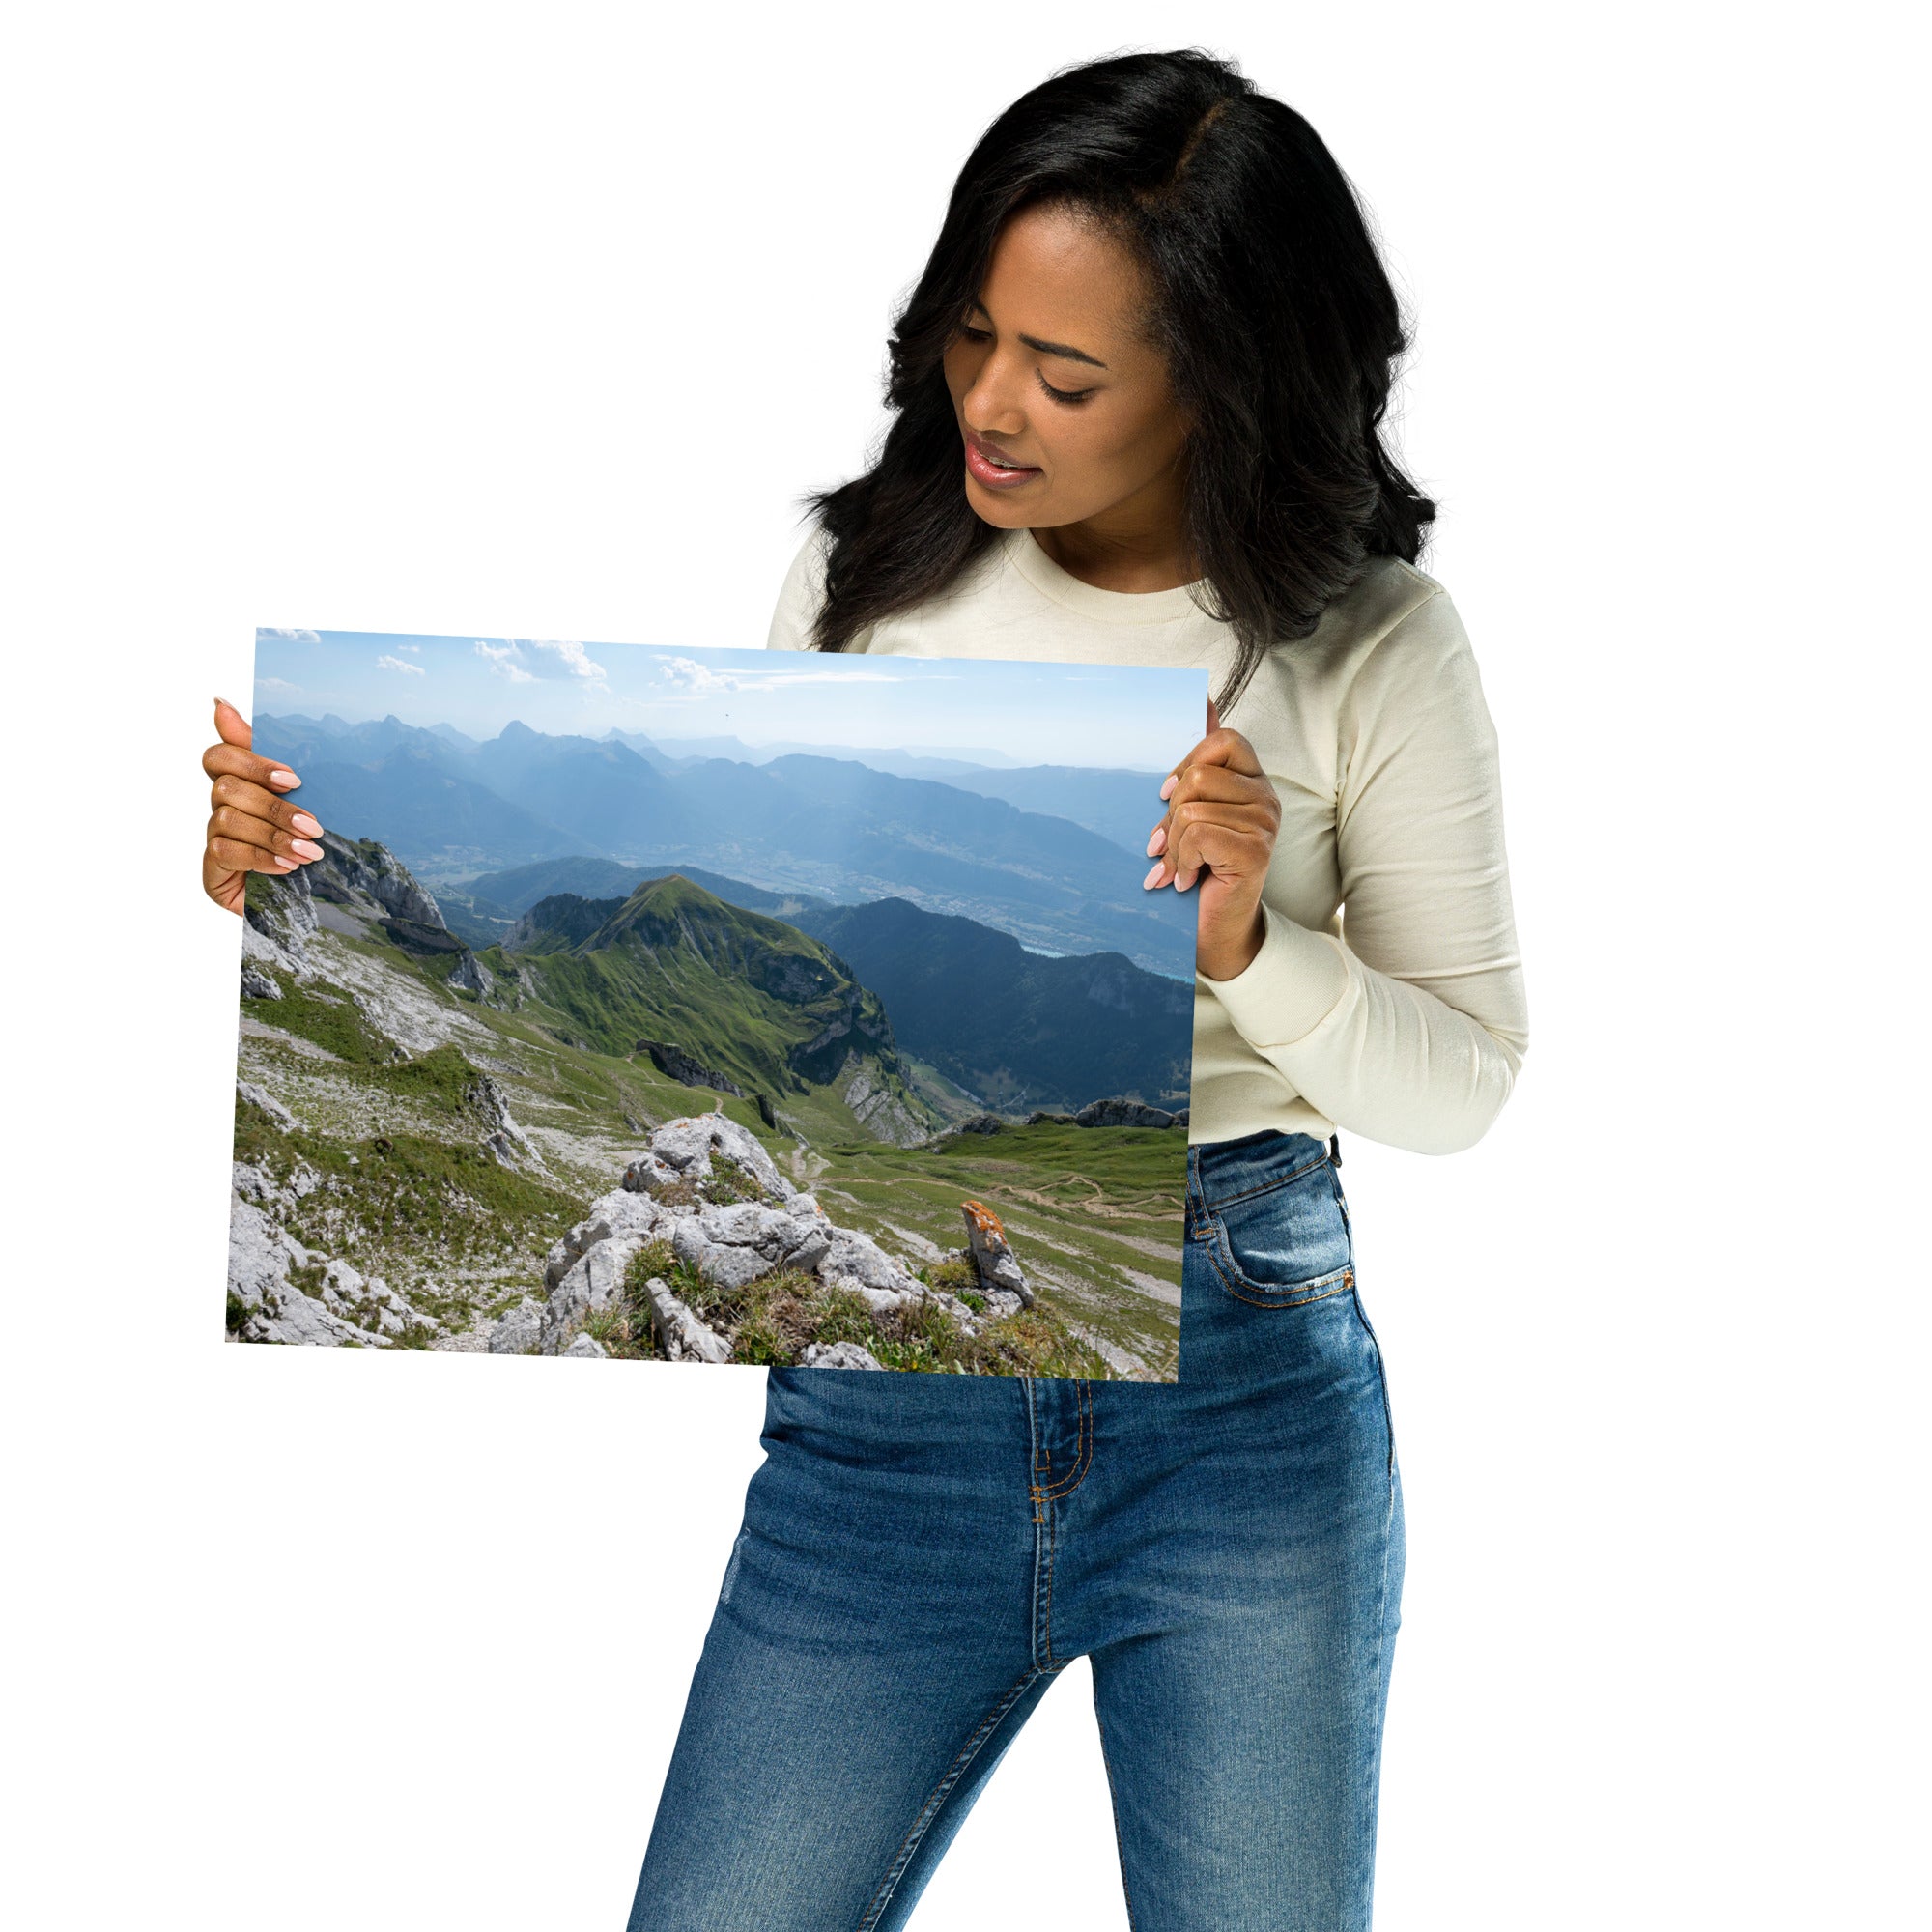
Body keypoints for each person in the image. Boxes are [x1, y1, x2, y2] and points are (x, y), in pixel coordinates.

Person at [199, 48, 1528, 1931]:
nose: (990, 402)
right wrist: (300, 877)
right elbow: (770, 901)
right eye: (971, 334)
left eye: (1065, 375)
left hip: (1241, 1404)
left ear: (1224, 380)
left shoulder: (1371, 639)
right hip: (877, 1448)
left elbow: (1464, 1082)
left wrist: (1249, 944)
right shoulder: (862, 572)